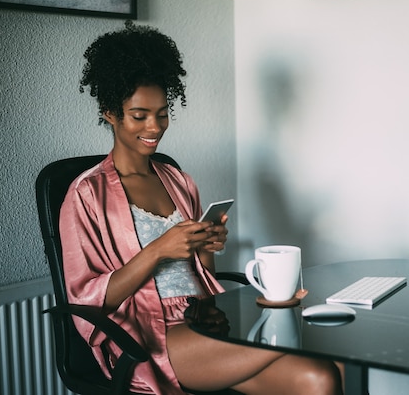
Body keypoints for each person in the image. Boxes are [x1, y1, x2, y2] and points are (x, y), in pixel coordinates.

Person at [60, 21, 344, 395]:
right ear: (111, 113)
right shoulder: (86, 193)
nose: (155, 126)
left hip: (202, 319)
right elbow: (88, 298)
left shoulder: (178, 181)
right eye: (140, 115)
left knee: (325, 374)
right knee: (311, 341)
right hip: (148, 333)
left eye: (162, 113)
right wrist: (158, 251)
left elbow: (201, 275)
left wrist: (206, 246)